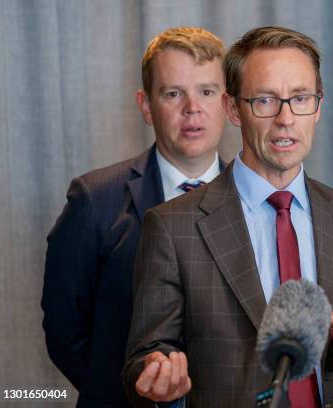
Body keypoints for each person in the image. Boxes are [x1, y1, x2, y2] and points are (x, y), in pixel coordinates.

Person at [122, 26, 333, 407]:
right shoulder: (173, 226)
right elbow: (146, 356)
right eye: (265, 101)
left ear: (318, 107)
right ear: (232, 108)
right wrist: (159, 379)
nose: (285, 118)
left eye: (300, 98)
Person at [41, 27, 227, 407]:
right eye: (173, 93)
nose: (192, 107)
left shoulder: (254, 200)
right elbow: (65, 330)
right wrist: (132, 393)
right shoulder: (94, 199)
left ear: (228, 103)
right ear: (146, 106)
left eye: (206, 91)